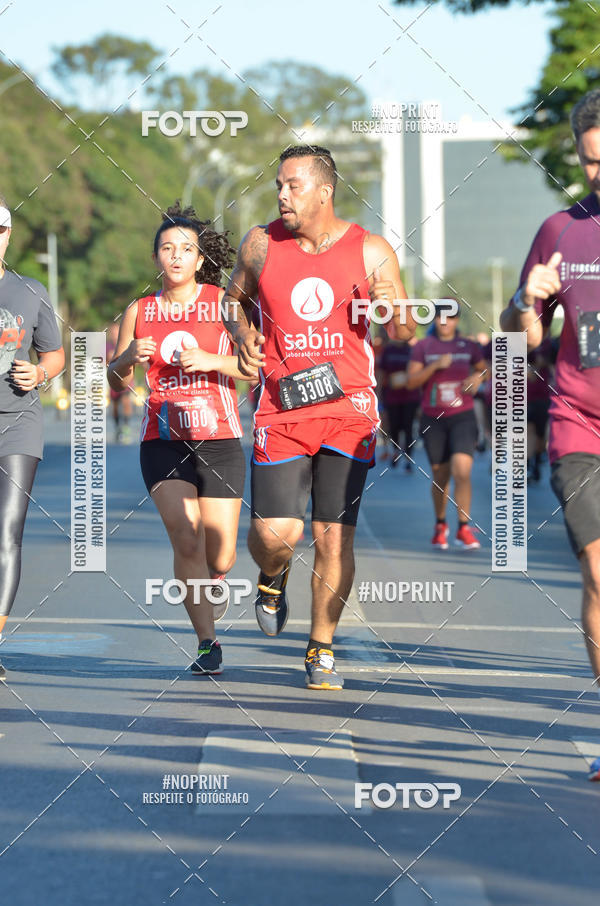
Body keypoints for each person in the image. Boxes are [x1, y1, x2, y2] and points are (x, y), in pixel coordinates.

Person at [222, 144, 415, 690]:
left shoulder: (370, 249)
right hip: (281, 410)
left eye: (293, 185)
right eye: (278, 185)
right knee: (273, 535)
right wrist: (242, 332)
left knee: (333, 540)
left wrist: (390, 304)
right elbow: (229, 300)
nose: (282, 195)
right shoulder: (261, 244)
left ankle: (321, 644)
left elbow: (405, 332)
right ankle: (272, 573)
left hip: (348, 410)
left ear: (324, 191)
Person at [499, 88, 600, 781]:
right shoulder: (560, 231)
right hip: (578, 419)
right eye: (593, 162)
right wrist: (526, 303)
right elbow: (519, 340)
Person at [108, 202, 253, 676]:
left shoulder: (221, 302)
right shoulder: (140, 309)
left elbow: (256, 367)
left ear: (199, 259)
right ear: (156, 259)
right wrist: (126, 356)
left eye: (185, 249)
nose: (175, 256)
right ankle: (207, 642)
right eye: (167, 249)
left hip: (220, 438)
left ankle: (218, 578)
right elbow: (115, 380)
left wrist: (214, 362)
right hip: (163, 440)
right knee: (186, 539)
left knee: (221, 551)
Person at [0, 196, 65, 680]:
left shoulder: (30, 291)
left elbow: (56, 355)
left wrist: (38, 371)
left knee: (7, 532)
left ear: (8, 235)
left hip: (17, 424)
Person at [406, 303, 487, 550]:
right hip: (434, 419)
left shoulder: (468, 346)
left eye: (450, 318)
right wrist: (434, 366)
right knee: (441, 475)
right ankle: (440, 524)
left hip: (463, 416)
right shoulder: (423, 347)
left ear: (456, 320)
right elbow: (411, 382)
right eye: (440, 318)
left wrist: (478, 377)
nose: (445, 322)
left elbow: (485, 369)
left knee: (462, 470)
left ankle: (464, 527)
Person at [377, 334, 420, 471]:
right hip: (392, 395)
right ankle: (395, 451)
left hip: (410, 396)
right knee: (394, 426)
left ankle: (408, 458)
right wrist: (378, 393)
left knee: (408, 427)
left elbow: (420, 372)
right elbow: (381, 373)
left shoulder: (413, 350)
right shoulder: (388, 350)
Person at [526, 338, 553, 483]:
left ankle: (535, 461)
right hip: (525, 398)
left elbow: (547, 361)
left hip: (543, 398)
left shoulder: (547, 344)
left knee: (541, 436)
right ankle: (528, 465)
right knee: (528, 432)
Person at [106, 322, 134, 443]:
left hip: (126, 378)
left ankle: (126, 426)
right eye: (112, 333)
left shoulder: (126, 345)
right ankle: (118, 427)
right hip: (113, 380)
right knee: (115, 405)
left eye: (117, 332)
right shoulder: (107, 347)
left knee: (126, 401)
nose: (115, 335)